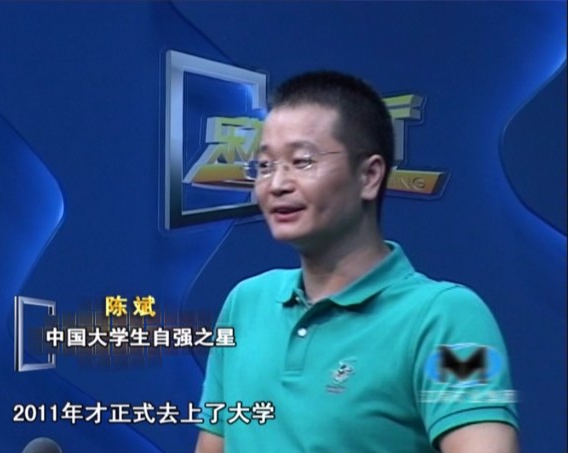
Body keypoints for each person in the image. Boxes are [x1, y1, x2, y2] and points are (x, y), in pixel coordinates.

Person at [195, 71, 519, 453]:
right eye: (265, 166)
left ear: (369, 175)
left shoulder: (448, 317)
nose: (277, 184)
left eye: (302, 161)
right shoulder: (245, 303)